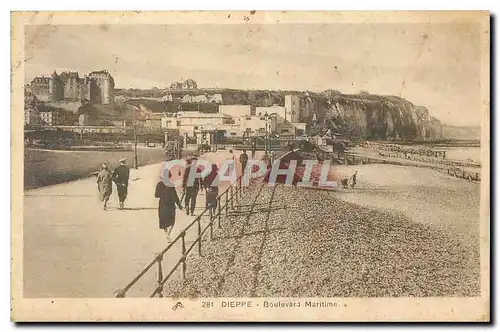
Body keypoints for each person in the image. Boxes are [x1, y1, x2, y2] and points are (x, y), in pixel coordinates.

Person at [155, 172, 183, 242]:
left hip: (163, 204)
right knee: (172, 221)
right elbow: (175, 196)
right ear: (170, 177)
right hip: (171, 205)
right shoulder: (171, 185)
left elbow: (156, 195)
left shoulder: (159, 184)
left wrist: (162, 193)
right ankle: (168, 234)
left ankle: (166, 234)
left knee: (164, 221)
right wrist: (179, 205)